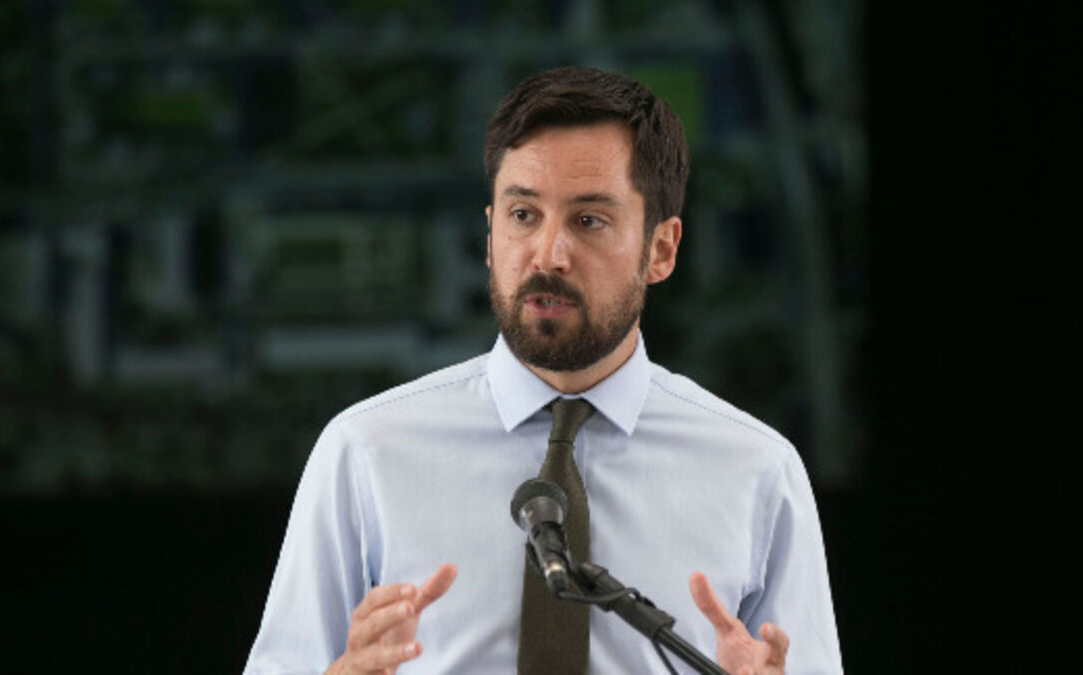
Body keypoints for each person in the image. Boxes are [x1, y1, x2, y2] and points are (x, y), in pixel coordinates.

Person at [244, 66, 843, 674]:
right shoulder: (365, 452)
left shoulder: (758, 471)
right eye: (523, 215)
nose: (548, 255)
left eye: (588, 220)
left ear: (660, 250)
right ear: (489, 235)